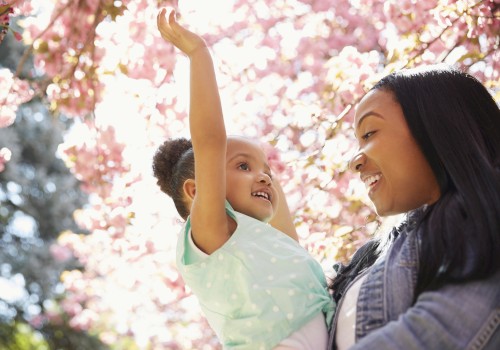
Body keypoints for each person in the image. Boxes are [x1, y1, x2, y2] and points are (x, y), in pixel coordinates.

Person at [152, 8, 335, 350]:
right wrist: (198, 54)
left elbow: (273, 199)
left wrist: (260, 169)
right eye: (242, 167)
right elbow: (210, 140)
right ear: (197, 190)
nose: (264, 177)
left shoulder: (278, 246)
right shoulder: (213, 234)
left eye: (266, 169)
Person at [328, 64, 500, 349]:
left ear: (437, 126)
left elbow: (439, 332)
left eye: (369, 133)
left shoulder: (486, 215)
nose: (355, 161)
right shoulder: (374, 256)